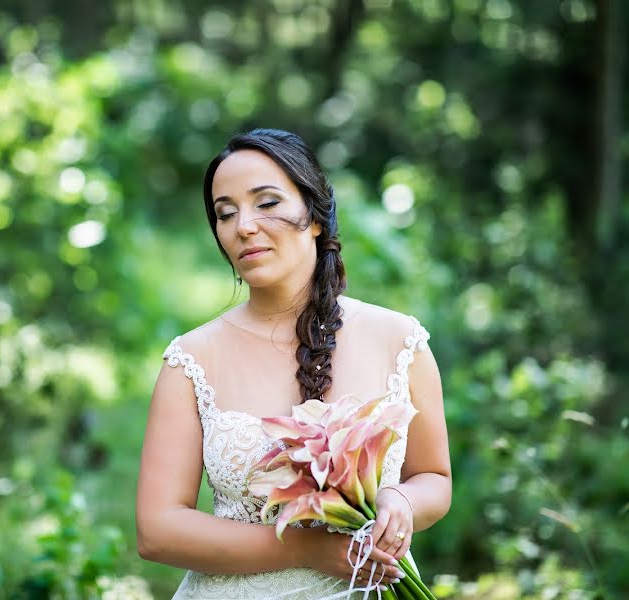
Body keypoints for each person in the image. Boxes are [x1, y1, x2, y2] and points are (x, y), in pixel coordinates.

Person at [135, 128, 452, 599]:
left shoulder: (399, 340)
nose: (243, 226)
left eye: (266, 203)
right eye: (225, 213)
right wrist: (305, 550)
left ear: (317, 216)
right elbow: (158, 530)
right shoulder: (191, 360)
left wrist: (400, 500)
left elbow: (435, 480)